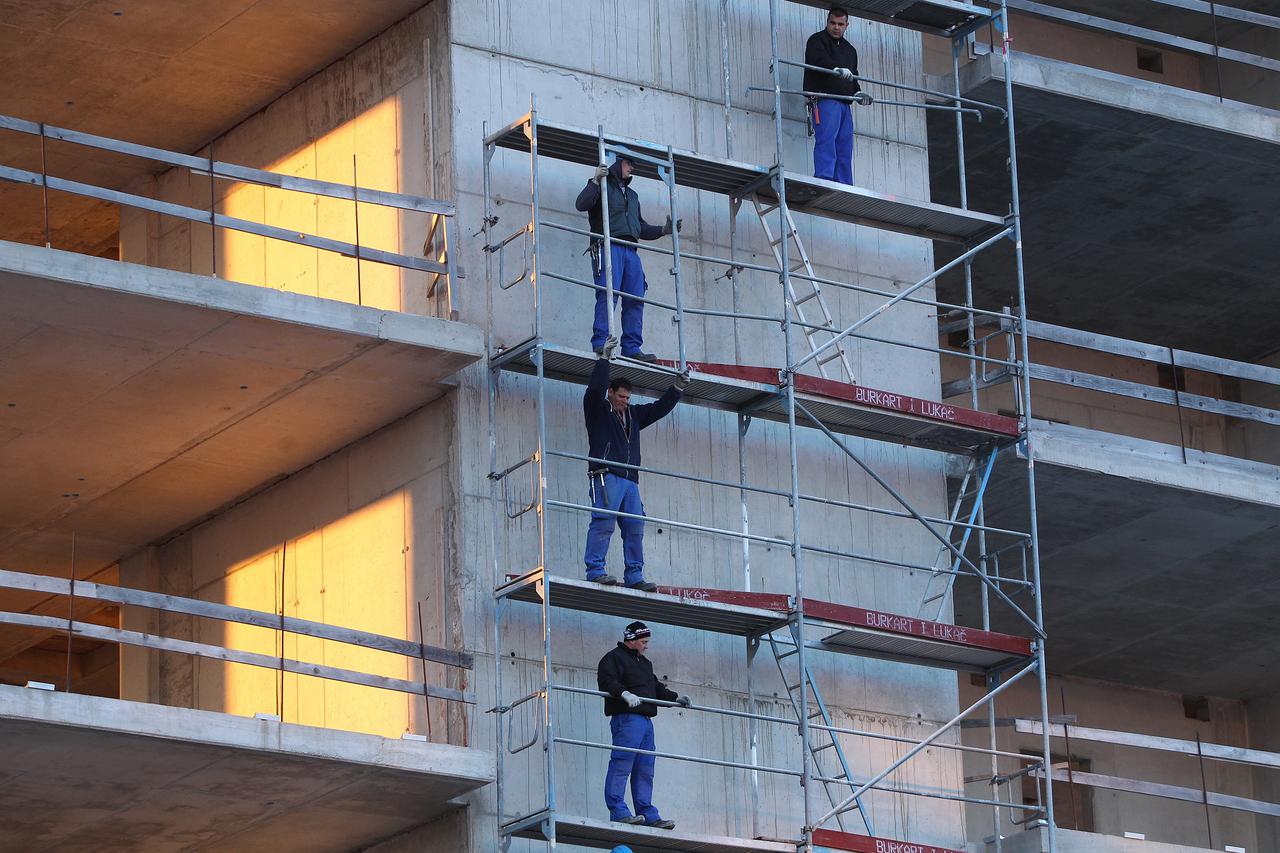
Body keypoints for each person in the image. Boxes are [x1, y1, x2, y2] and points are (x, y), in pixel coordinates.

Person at [583, 354, 688, 590]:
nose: (625, 402)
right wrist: (603, 361)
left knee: (634, 528)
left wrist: (677, 388)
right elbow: (593, 390)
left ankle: (634, 576)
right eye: (621, 396)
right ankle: (595, 571)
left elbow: (659, 408)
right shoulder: (597, 410)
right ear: (610, 392)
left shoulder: (633, 415)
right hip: (606, 474)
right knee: (604, 522)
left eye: (628, 398)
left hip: (630, 479)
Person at [575, 154, 681, 361]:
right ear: (616, 163)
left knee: (636, 298)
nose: (632, 168)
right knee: (608, 294)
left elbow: (639, 227)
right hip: (608, 246)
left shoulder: (632, 196)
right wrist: (596, 180)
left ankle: (631, 348)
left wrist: (663, 230)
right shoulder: (601, 186)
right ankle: (601, 342)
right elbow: (581, 204)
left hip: (630, 250)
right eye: (628, 163)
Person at [597, 621, 690, 829]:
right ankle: (618, 810)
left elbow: (656, 688)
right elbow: (607, 681)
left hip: (646, 722)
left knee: (645, 768)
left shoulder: (644, 664)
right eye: (644, 641)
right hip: (627, 718)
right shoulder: (613, 658)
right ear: (632, 640)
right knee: (622, 763)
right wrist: (623, 694)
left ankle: (647, 813)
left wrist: (676, 699)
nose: (646, 645)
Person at [804, 7, 873, 185]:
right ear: (827, 22)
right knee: (827, 140)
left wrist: (858, 93)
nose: (836, 27)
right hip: (825, 99)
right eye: (833, 23)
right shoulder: (817, 40)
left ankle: (843, 183)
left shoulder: (850, 50)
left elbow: (853, 78)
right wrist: (835, 69)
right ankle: (824, 177)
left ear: (846, 25)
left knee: (844, 145)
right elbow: (818, 61)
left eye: (840, 24)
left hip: (844, 103)